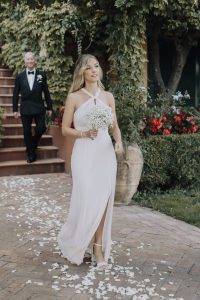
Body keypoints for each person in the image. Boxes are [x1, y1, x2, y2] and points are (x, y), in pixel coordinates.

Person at [57, 54, 123, 269]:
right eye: (89, 67)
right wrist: (84, 133)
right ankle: (77, 238)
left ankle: (97, 247)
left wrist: (119, 142)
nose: (94, 70)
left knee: (102, 199)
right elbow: (65, 129)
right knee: (86, 197)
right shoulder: (74, 97)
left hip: (104, 152)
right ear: (82, 73)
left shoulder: (108, 97)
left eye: (96, 66)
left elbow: (114, 126)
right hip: (84, 152)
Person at [12, 52, 52, 163]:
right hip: (25, 108)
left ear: (35, 61)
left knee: (41, 128)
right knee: (26, 131)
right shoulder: (20, 76)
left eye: (32, 59)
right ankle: (31, 154)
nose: (30, 61)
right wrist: (15, 109)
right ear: (25, 61)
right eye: (28, 59)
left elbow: (46, 92)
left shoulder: (41, 75)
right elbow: (15, 93)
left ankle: (32, 144)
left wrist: (49, 107)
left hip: (39, 106)